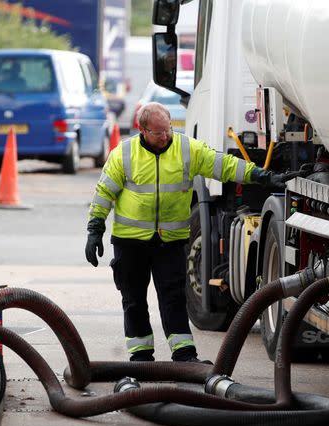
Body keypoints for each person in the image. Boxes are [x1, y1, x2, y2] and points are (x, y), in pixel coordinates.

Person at [85, 102, 287, 363]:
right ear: (142, 130)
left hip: (169, 242)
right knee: (133, 299)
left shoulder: (185, 148)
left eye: (168, 129)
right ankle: (141, 356)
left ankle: (184, 354)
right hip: (130, 242)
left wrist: (261, 176)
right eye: (158, 133)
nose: (165, 136)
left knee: (173, 298)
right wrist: (95, 229)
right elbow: (104, 194)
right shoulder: (124, 154)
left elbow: (222, 165)